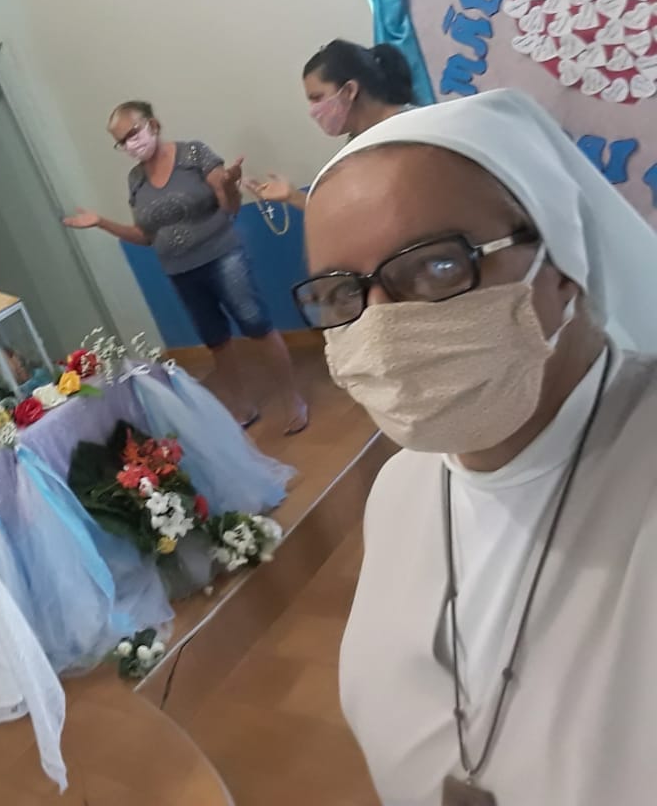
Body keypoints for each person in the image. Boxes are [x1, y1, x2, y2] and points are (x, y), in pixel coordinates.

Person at [295, 89, 657, 805]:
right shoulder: (400, 490)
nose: (381, 329)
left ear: (560, 261)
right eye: (341, 295)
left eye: (436, 267)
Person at [64, 101, 307, 434]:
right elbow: (145, 236)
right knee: (215, 340)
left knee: (257, 325)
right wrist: (101, 222)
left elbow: (229, 207)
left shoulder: (193, 154)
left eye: (133, 133)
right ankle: (242, 406)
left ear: (152, 125)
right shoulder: (135, 179)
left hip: (223, 257)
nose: (130, 144)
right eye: (122, 141)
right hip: (180, 271)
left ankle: (292, 400)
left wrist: (228, 185)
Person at [245, 40, 416, 211]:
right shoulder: (359, 145)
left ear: (349, 91)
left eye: (317, 98)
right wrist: (293, 196)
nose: (313, 110)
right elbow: (355, 215)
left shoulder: (413, 132)